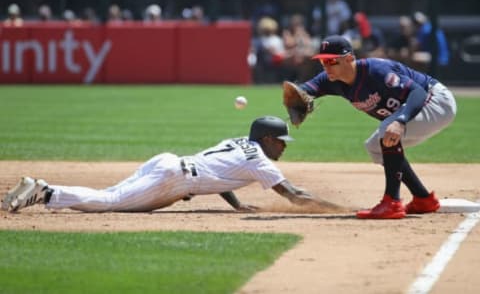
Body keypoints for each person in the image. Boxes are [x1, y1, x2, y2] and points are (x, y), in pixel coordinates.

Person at [2, 116, 338, 213]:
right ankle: (46, 192)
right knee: (108, 203)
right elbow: (293, 195)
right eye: (281, 141)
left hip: (167, 162)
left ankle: (36, 188)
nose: (283, 147)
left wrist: (235, 204)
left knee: (110, 194)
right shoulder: (260, 162)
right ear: (266, 140)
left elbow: (219, 174)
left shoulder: (237, 143)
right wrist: (336, 209)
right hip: (173, 180)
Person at [290, 35, 456, 219]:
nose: (327, 66)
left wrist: (400, 121)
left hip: (435, 100)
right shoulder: (330, 79)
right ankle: (423, 199)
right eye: (323, 62)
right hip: (418, 105)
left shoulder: (376, 71)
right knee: (375, 146)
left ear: (349, 59)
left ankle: (392, 202)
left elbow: (418, 92)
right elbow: (302, 91)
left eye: (332, 61)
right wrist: (294, 101)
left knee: (388, 131)